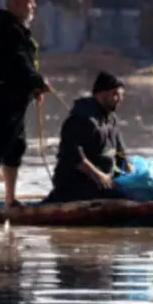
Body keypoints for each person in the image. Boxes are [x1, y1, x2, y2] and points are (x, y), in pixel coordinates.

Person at [0, 0, 50, 208]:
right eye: (30, 1)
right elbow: (19, 63)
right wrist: (38, 82)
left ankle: (10, 198)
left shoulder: (17, 29)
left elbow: (25, 65)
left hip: (16, 97)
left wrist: (34, 87)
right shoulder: (6, 29)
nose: (33, 6)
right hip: (0, 96)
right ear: (15, 4)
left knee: (16, 145)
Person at [41, 71, 130, 204]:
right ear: (101, 94)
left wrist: (128, 167)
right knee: (123, 198)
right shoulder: (82, 118)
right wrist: (98, 175)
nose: (120, 99)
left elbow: (119, 151)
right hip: (77, 185)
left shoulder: (111, 118)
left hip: (104, 180)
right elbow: (73, 155)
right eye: (115, 94)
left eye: (121, 95)